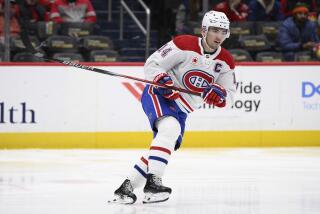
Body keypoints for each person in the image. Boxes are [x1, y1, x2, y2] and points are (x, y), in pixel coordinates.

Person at [109, 10, 237, 204]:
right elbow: (152, 64)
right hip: (159, 95)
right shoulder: (183, 44)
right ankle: (153, 184)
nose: (219, 36)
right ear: (204, 30)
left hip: (184, 109)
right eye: (215, 30)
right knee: (170, 128)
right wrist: (162, 79)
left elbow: (229, 95)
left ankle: (125, 189)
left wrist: (219, 96)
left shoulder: (226, 61)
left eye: (223, 31)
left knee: (164, 143)